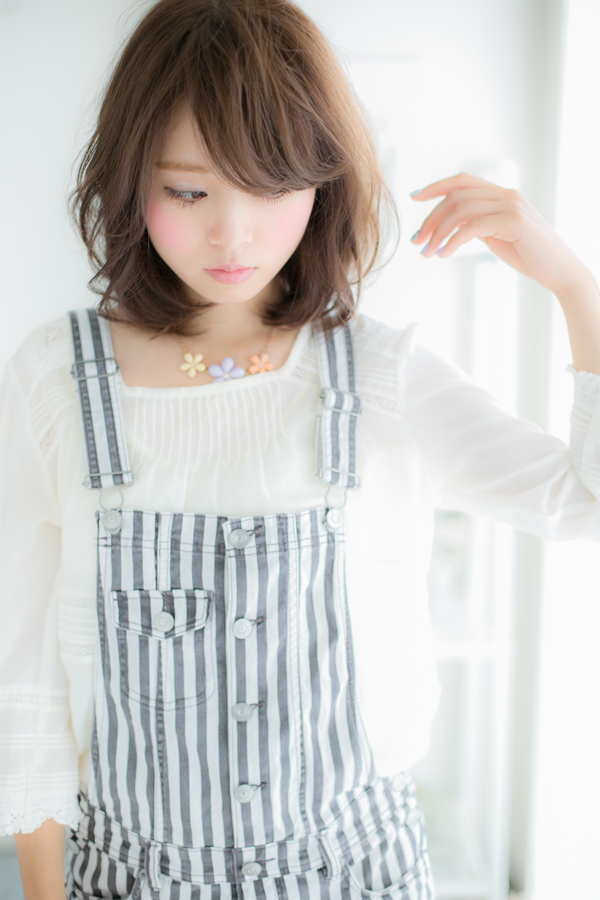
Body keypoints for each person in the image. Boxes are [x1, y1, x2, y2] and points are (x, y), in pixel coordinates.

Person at [2, 0, 600, 897]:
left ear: (321, 184)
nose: (232, 236)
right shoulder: (55, 380)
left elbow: (583, 503)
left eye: (271, 189)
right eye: (190, 191)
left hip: (359, 873)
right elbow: (25, 684)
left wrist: (575, 285)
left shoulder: (380, 374)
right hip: (124, 877)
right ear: (130, 182)